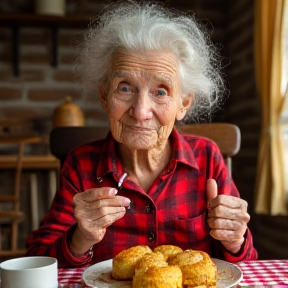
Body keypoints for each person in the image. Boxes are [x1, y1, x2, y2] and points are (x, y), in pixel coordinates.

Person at [26, 0, 258, 268]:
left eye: (160, 91)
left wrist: (235, 240)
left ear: (183, 104)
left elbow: (247, 264)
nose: (140, 111)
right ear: (104, 96)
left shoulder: (207, 157)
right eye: (125, 88)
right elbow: (38, 259)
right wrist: (81, 237)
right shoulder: (82, 165)